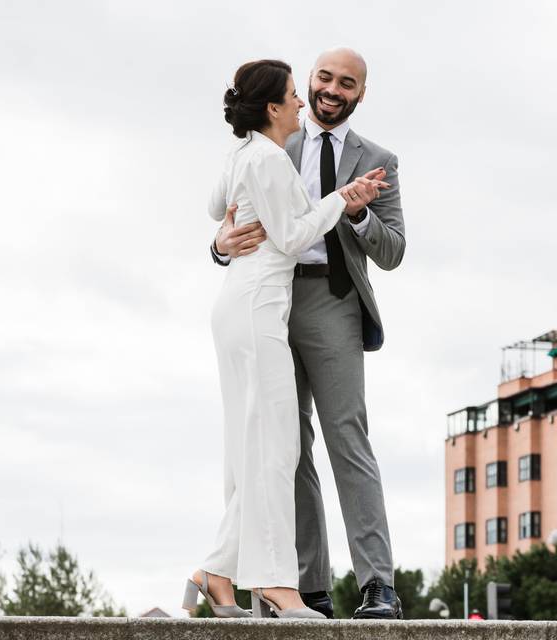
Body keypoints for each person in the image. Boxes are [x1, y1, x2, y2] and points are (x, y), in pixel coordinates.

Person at [183, 59, 388, 619]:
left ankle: (218, 570)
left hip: (245, 305)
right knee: (276, 448)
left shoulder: (245, 150)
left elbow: (213, 205)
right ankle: (276, 582)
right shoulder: (273, 156)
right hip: (260, 308)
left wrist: (230, 225)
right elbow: (296, 236)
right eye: (296, 94)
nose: (303, 102)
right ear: (273, 107)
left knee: (257, 446)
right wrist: (341, 199)